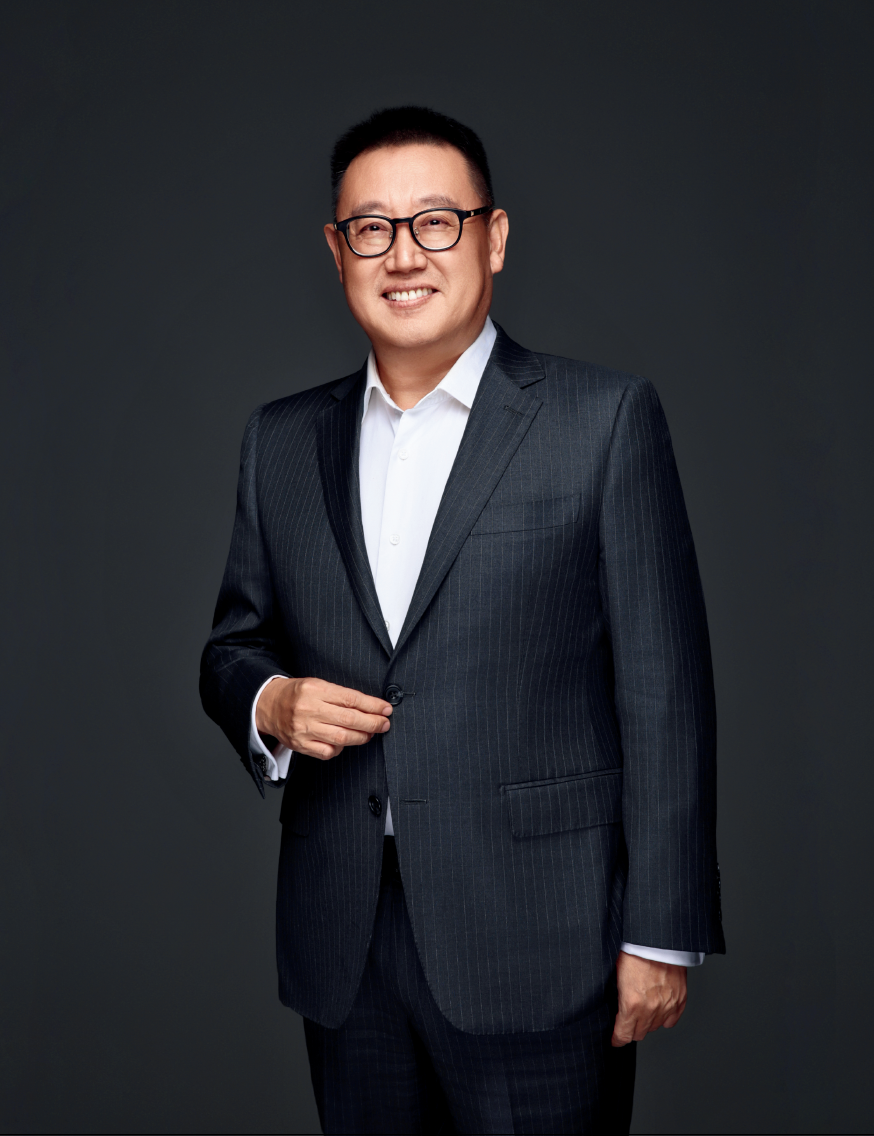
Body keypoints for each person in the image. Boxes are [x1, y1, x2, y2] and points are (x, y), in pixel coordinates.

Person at [200, 105, 724, 1135]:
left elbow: (665, 688)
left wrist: (662, 932)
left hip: (544, 933)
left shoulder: (602, 420)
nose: (404, 254)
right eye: (372, 228)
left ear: (493, 237)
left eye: (436, 221)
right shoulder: (281, 440)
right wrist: (272, 701)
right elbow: (232, 647)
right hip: (344, 934)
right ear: (337, 251)